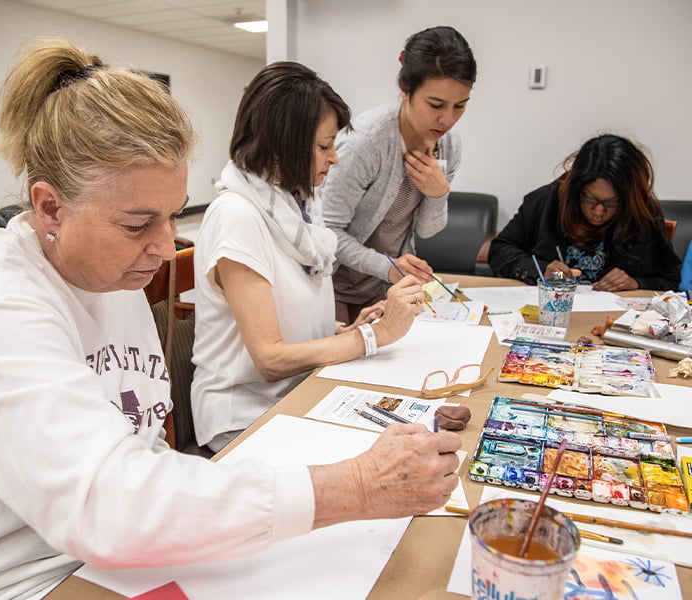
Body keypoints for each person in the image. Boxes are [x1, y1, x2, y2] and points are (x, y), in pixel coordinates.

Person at [0, 39, 464, 599]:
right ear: (49, 208)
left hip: (102, 559)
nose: (167, 250)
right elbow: (110, 506)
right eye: (138, 224)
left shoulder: (112, 277)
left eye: (172, 216)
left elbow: (136, 453)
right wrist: (357, 485)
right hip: (19, 580)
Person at [191, 62, 468, 453]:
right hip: (245, 415)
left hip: (300, 389)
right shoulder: (237, 216)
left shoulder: (298, 204)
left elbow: (293, 323)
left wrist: (350, 329)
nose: (334, 158)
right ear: (282, 144)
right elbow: (270, 358)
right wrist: (375, 336)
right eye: (324, 146)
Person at [320, 26, 477, 323]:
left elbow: (428, 231)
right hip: (332, 286)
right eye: (436, 105)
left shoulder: (449, 146)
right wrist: (387, 266)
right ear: (404, 89)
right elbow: (327, 232)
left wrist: (438, 193)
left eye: (460, 106)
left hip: (383, 287)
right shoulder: (365, 143)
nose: (448, 120)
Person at [488, 134, 681, 291]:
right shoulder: (546, 201)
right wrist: (541, 270)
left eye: (611, 203)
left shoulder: (643, 214)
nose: (598, 212)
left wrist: (636, 283)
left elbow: (671, 281)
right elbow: (500, 250)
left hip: (612, 319)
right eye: (589, 199)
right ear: (575, 189)